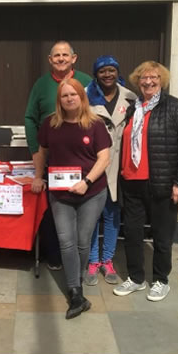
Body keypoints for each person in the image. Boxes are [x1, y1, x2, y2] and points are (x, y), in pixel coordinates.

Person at [113, 61, 178, 302]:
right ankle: (136, 278)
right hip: (131, 183)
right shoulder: (133, 108)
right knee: (131, 234)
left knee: (162, 236)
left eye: (154, 78)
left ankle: (161, 280)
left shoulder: (175, 108)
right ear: (137, 81)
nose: (148, 82)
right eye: (143, 78)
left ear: (162, 80)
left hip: (162, 184)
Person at [31, 78, 110, 319]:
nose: (69, 99)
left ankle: (78, 279)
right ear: (59, 100)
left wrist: (86, 183)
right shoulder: (50, 124)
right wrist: (37, 176)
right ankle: (75, 291)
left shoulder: (95, 125)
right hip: (60, 194)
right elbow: (41, 152)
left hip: (92, 192)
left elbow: (104, 158)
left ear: (81, 97)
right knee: (66, 241)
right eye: (64, 95)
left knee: (83, 241)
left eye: (73, 94)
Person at [24, 41, 93, 270]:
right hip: (51, 160)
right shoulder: (41, 85)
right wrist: (36, 152)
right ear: (49, 59)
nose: (61, 58)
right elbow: (30, 119)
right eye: (56, 55)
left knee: (83, 212)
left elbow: (96, 118)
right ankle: (54, 257)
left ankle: (82, 260)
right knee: (54, 212)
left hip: (82, 161)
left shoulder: (87, 83)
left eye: (65, 55)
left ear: (74, 58)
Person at [85, 55, 137, 286]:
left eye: (111, 70)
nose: (107, 75)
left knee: (112, 216)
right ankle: (93, 261)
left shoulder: (130, 97)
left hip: (118, 166)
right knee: (92, 216)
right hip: (93, 164)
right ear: (96, 74)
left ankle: (108, 260)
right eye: (102, 71)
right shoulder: (86, 97)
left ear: (117, 72)